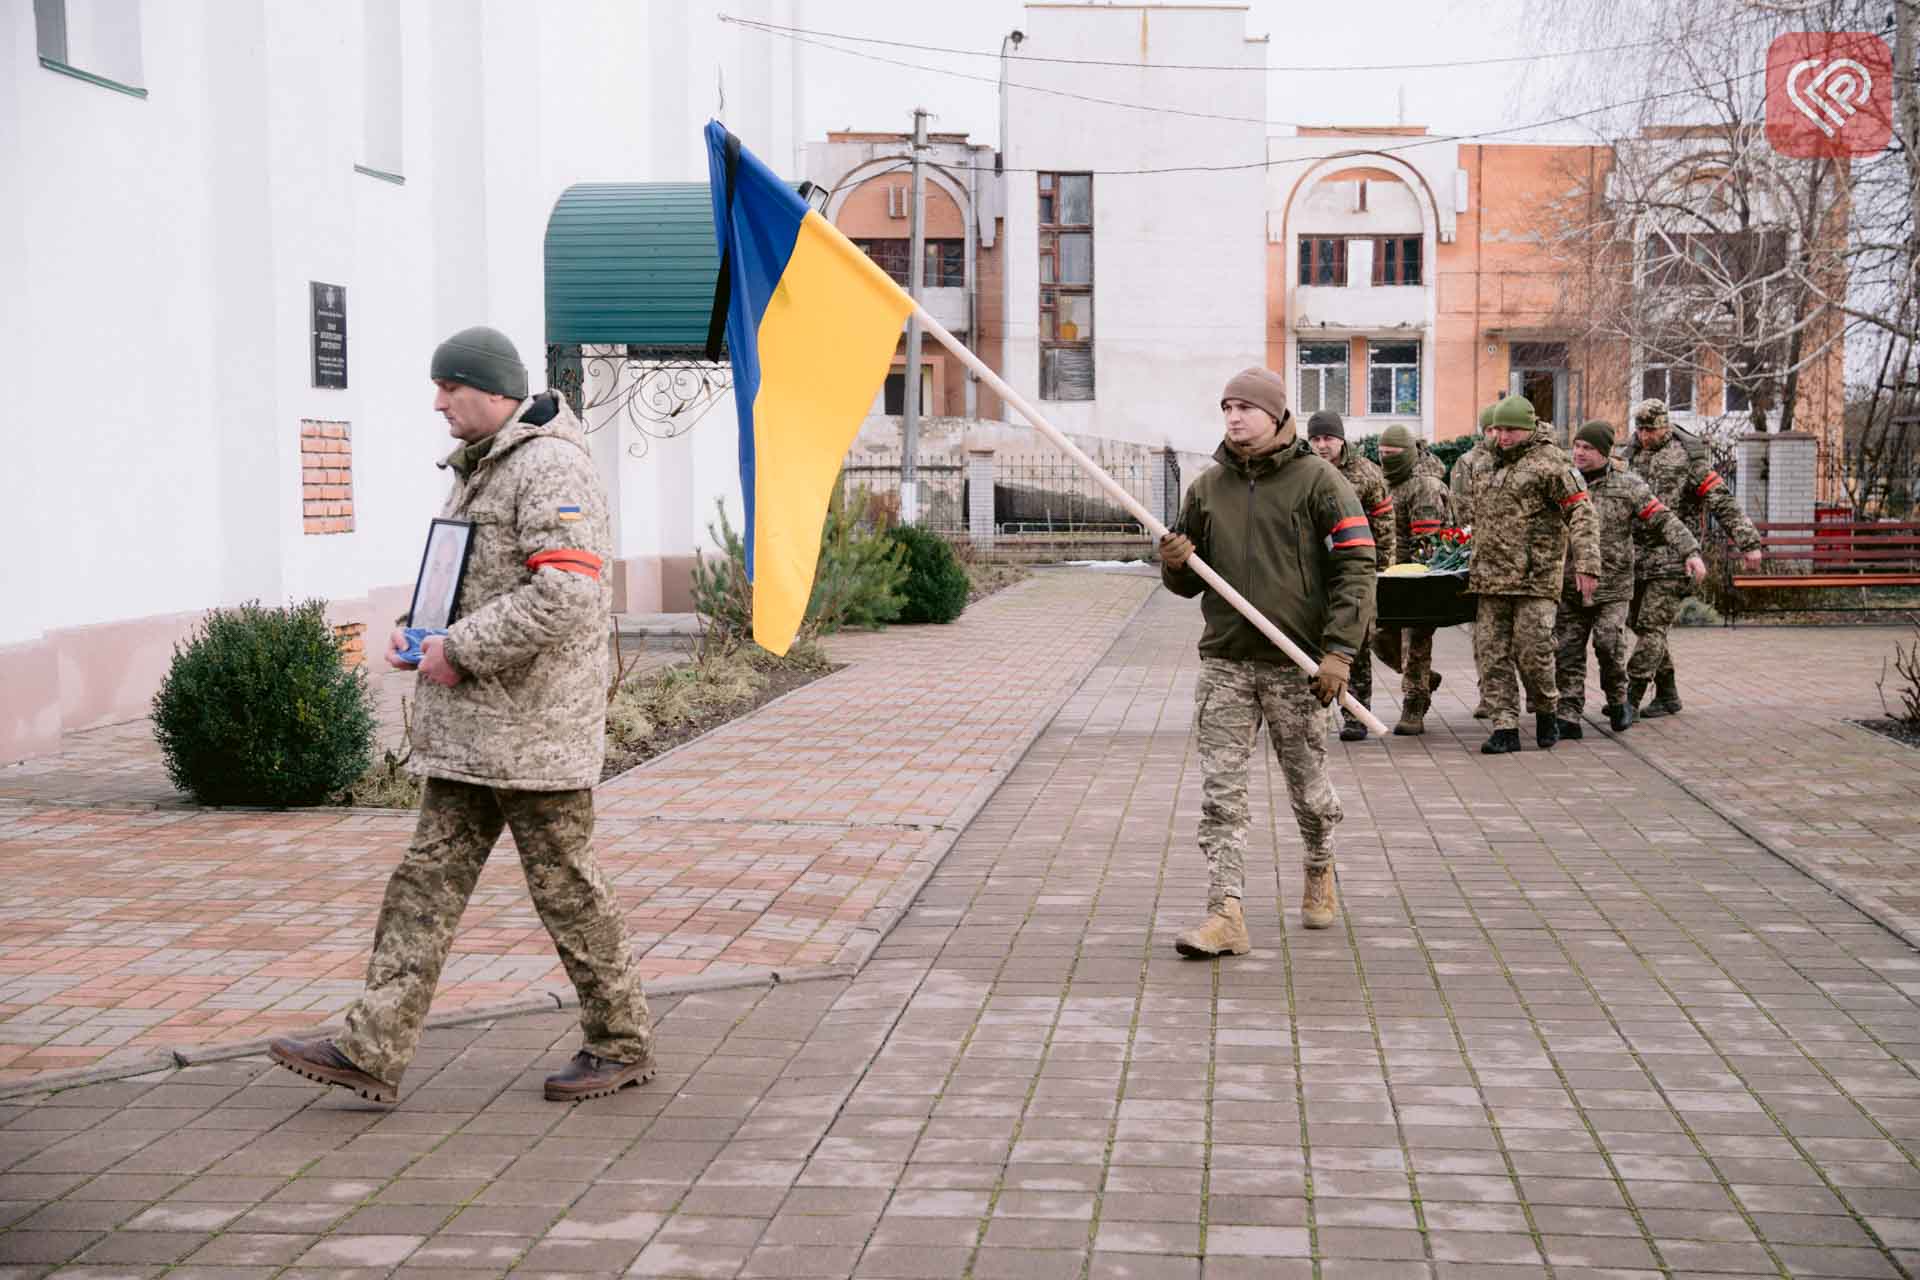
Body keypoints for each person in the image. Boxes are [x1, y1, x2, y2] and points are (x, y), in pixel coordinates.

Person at [270, 326, 656, 1105]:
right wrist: (422, 628)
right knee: (423, 885)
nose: (439, 402)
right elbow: (479, 578)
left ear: (495, 391)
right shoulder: (484, 467)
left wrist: (461, 648)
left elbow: (568, 592)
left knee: (568, 891)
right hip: (477, 731)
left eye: (450, 386)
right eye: (438, 387)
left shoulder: (548, 466)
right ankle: (369, 1045)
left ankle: (621, 1043)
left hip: (534, 734)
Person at [1157, 368, 1375, 950]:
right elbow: (1184, 585)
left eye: (1246, 407)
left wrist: (1338, 652)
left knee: (1308, 788)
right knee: (1221, 793)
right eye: (1226, 407)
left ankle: (1320, 865)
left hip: (1296, 663)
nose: (1234, 417)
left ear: (1277, 416)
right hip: (1226, 661)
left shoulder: (1320, 482)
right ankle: (1225, 913)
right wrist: (1175, 562)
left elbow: (1357, 567)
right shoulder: (1207, 489)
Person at [1469, 394, 1600, 754]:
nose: (1503, 436)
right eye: (1498, 429)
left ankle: (1546, 710)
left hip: (1535, 579)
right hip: (1490, 580)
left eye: (1511, 429)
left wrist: (1588, 564)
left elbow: (1582, 513)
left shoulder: (1552, 464)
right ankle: (1504, 725)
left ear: (1528, 428)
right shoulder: (1484, 464)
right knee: (1491, 655)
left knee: (1534, 651)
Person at [1553, 421, 1702, 736]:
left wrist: (1690, 551)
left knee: (1608, 643)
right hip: (1570, 582)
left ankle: (1619, 701)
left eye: (1588, 448)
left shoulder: (1628, 485)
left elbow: (1662, 518)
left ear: (1604, 452)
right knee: (1568, 649)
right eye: (1577, 446)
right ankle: (1568, 713)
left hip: (1613, 584)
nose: (1579, 453)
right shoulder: (1563, 482)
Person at [1624, 398, 1762, 718]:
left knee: (1651, 625)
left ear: (1665, 426)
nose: (1645, 435)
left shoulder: (1689, 457)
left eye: (1651, 429)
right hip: (1636, 558)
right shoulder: (1628, 455)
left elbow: (1721, 500)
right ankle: (1668, 694)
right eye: (1640, 429)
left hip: (1676, 557)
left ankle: (1629, 698)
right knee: (1639, 624)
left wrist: (1748, 542)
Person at [1307, 409, 1394, 741]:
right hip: (1315, 573)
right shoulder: (1305, 472)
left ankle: (1357, 713)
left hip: (1354, 571)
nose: (1321, 445)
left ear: (1341, 439)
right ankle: (1314, 712)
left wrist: (1382, 571)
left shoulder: (1367, 474)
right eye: (1315, 439)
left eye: (1328, 438)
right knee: (1313, 642)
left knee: (1354, 644)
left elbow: (1385, 527)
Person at [1374, 424, 1454, 736]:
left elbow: (1428, 541)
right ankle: (1421, 677)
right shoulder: (1384, 482)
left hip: (1419, 578)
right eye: (1381, 454)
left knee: (1416, 640)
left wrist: (1418, 581)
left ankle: (1415, 702)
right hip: (1387, 576)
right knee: (1377, 636)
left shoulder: (1425, 487)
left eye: (1392, 455)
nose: (1385, 460)